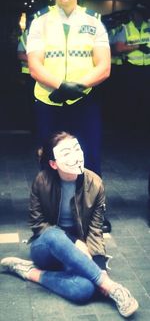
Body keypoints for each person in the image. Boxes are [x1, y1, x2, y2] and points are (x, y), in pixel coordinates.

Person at [1, 131, 138, 317]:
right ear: (53, 163)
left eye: (77, 148)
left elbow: (95, 230)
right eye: (66, 153)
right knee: (53, 234)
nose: (75, 155)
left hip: (75, 255)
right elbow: (38, 225)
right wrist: (73, 241)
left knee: (84, 290)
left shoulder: (95, 183)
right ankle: (113, 288)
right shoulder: (41, 181)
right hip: (45, 248)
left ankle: (31, 272)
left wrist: (100, 267)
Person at [26, 0, 111, 232]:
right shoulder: (39, 23)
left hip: (83, 102)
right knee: (48, 158)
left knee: (91, 156)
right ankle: (49, 215)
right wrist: (60, 86)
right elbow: (35, 64)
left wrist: (76, 87)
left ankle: (95, 216)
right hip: (48, 102)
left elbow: (104, 66)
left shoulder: (94, 22)